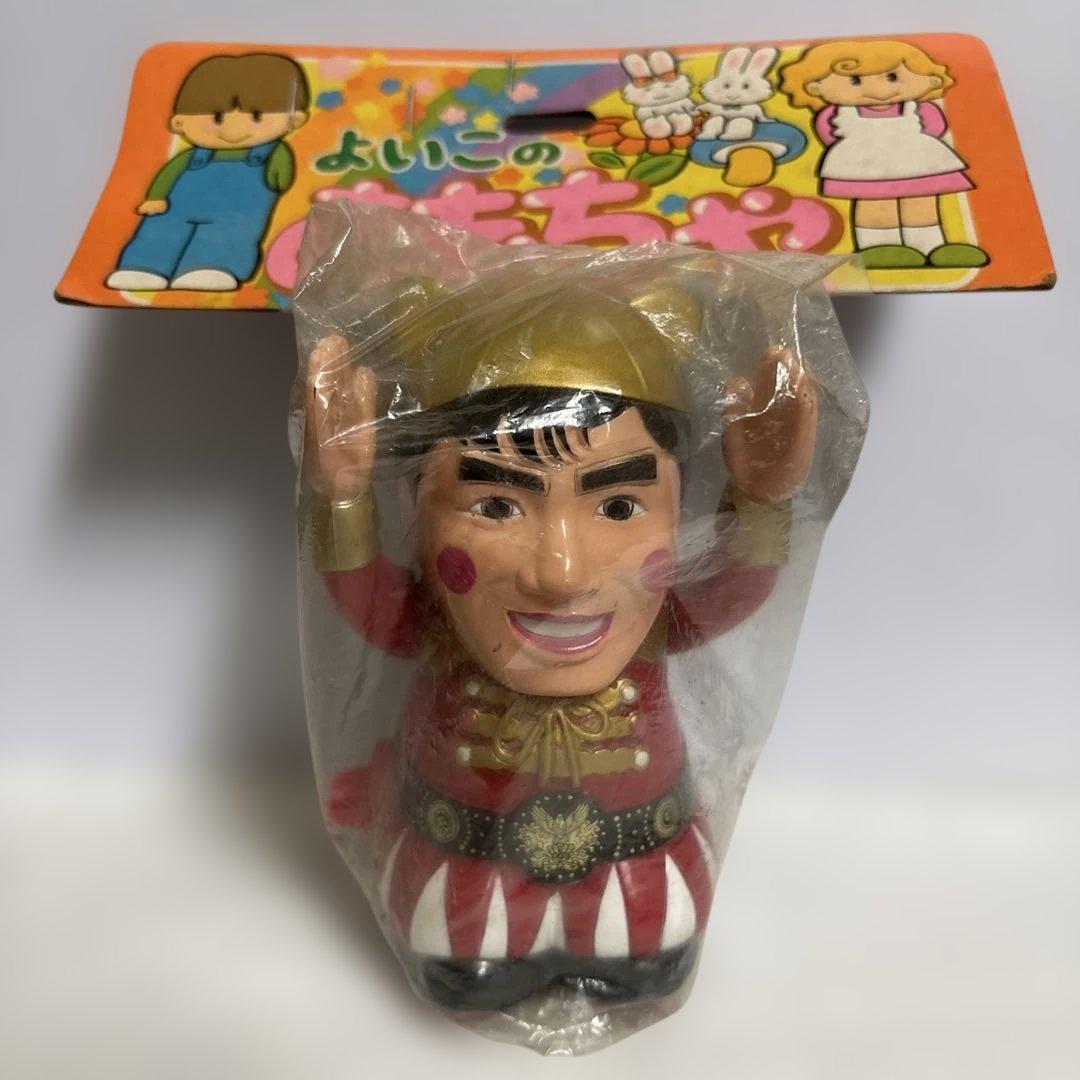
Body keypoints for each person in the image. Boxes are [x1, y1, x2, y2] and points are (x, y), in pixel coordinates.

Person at [300, 273, 817, 1009]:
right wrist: (344, 500)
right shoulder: (444, 623)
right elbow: (376, 613)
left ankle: (632, 944)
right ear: (420, 512)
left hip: (638, 853)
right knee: (464, 954)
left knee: (646, 942)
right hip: (464, 854)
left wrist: (761, 503)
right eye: (496, 504)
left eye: (618, 505)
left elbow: (727, 594)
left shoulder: (655, 616)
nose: (561, 574)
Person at [106, 53, 308, 292]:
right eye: (217, 118)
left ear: (296, 119)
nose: (233, 131)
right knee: (159, 231)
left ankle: (215, 267)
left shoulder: (274, 152)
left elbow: (281, 178)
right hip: (176, 209)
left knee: (230, 235)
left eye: (256, 116)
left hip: (235, 214)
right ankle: (142, 267)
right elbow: (169, 173)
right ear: (179, 122)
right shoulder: (191, 156)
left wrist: (279, 176)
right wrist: (156, 197)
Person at [780, 39, 989, 269]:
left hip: (919, 161)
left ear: (930, 79)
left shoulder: (918, 108)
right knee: (874, 204)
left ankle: (931, 246)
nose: (877, 90)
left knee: (922, 203)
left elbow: (933, 127)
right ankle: (878, 247)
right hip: (861, 165)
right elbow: (829, 133)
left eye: (892, 77)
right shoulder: (839, 113)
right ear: (815, 86)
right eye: (855, 80)